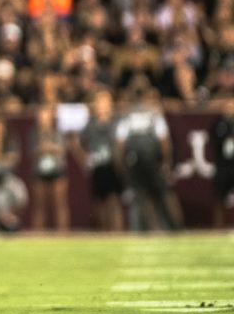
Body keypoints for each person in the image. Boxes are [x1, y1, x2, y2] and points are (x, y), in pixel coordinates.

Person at [115, 83, 182, 231]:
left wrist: (122, 165)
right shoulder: (154, 114)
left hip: (135, 161)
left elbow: (120, 143)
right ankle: (173, 228)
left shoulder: (128, 115)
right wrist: (166, 163)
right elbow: (165, 141)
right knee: (163, 194)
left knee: (142, 197)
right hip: (153, 161)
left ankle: (147, 229)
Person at [72, 92, 124, 231]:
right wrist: (85, 161)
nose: (102, 105)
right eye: (99, 102)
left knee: (114, 200)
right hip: (98, 166)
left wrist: (121, 161)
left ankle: (117, 232)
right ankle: (105, 233)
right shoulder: (90, 124)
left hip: (113, 166)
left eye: (105, 102)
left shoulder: (117, 121)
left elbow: (122, 142)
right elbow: (78, 143)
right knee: (100, 203)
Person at [28, 104, 70, 232]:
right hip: (39, 171)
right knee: (39, 205)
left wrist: (48, 148)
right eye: (41, 115)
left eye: (46, 115)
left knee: (60, 204)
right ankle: (38, 234)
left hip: (57, 170)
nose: (44, 118)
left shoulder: (58, 132)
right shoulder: (34, 133)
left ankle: (63, 233)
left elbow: (62, 150)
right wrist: (45, 149)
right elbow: (32, 152)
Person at [212, 98, 234, 228]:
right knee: (219, 197)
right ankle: (218, 227)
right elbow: (215, 142)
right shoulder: (219, 123)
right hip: (223, 165)